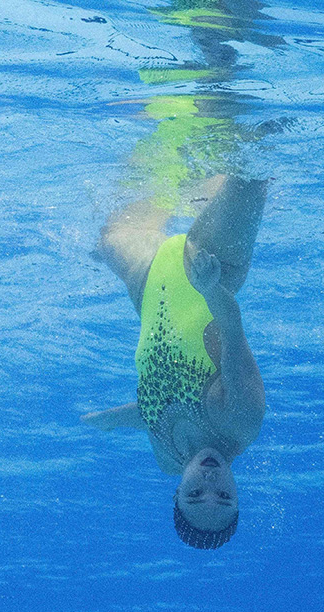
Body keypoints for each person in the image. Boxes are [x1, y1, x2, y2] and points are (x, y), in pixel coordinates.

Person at [83, 175, 266, 549]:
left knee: (111, 235)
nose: (209, 485)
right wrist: (209, 286)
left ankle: (182, 160)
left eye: (194, 496)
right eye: (224, 497)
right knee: (248, 175)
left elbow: (159, 410)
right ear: (237, 494)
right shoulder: (241, 419)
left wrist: (115, 419)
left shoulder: (168, 458)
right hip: (210, 268)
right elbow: (232, 327)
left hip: (148, 288)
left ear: (177, 494)